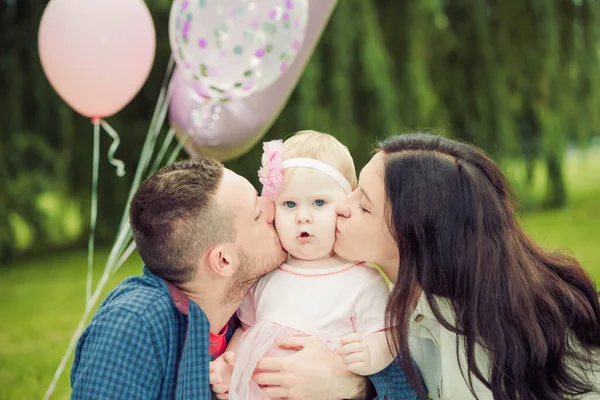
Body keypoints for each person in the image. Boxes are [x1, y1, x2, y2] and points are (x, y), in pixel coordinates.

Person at [70, 157, 417, 399]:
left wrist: (353, 384)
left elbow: (411, 390)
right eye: (256, 212)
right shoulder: (133, 327)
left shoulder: (246, 305)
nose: (273, 208)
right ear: (223, 260)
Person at [334, 133, 600, 400]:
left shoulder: (484, 353)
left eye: (364, 206)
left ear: (416, 237)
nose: (340, 206)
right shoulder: (397, 296)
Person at [209, 131, 402, 399]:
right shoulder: (265, 275)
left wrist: (372, 353)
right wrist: (230, 362)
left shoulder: (363, 280)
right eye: (289, 204)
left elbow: (387, 333)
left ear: (345, 206)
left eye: (319, 203)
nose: (303, 217)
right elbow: (246, 331)